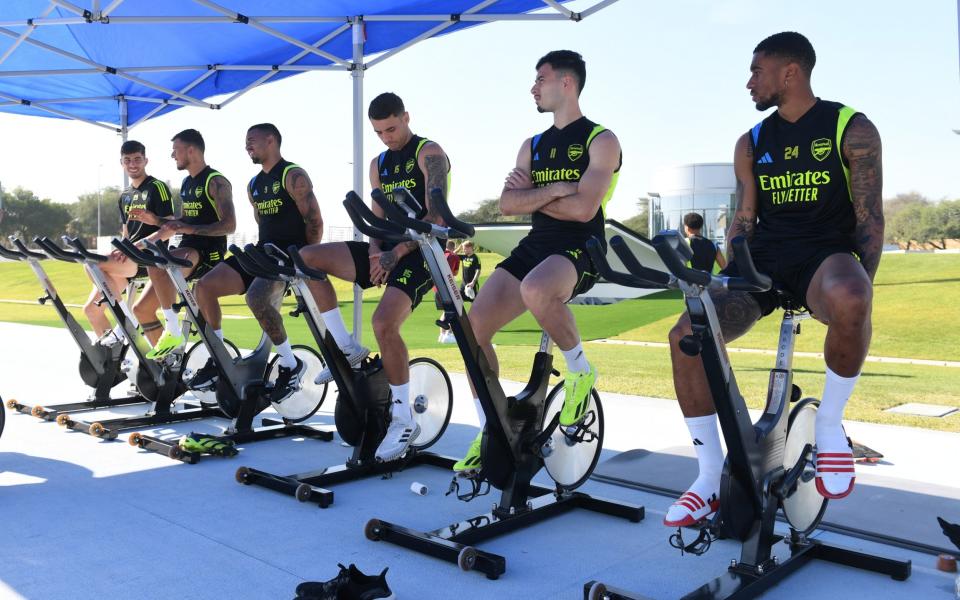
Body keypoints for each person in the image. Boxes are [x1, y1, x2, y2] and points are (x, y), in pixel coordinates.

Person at [664, 31, 884, 527]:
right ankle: (707, 475)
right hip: (761, 258)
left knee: (852, 298)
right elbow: (744, 219)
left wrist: (860, 298)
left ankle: (828, 427)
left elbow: (870, 217)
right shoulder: (752, 140)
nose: (748, 82)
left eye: (756, 71)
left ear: (790, 72)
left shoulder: (851, 127)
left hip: (823, 255)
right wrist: (722, 278)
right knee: (686, 335)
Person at [452, 50, 622, 474]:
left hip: (581, 247)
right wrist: (558, 188)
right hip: (536, 244)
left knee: (536, 288)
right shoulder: (532, 144)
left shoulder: (601, 140)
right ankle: (492, 426)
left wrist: (538, 196)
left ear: (566, 83)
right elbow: (507, 204)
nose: (533, 87)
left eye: (540, 79)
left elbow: (585, 211)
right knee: (472, 330)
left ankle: (581, 372)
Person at [299, 92, 450, 462]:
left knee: (384, 324)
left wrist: (395, 253)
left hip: (423, 252)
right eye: (379, 132)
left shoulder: (429, 153)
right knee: (307, 258)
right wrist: (371, 252)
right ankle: (347, 348)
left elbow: (438, 217)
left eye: (392, 129)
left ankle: (402, 420)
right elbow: (378, 215)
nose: (387, 137)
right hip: (385, 250)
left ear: (406, 117)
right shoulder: (378, 163)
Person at [183, 123, 325, 402]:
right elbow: (263, 224)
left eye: (252, 140)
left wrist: (304, 260)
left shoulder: (292, 174)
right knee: (204, 287)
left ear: (271, 140)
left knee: (257, 297)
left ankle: (290, 363)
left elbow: (315, 221)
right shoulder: (254, 184)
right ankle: (218, 357)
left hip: (288, 257)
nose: (247, 146)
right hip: (262, 252)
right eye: (246, 142)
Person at [127, 129, 235, 360]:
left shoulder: (215, 181)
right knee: (141, 310)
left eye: (175, 150)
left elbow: (229, 225)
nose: (172, 155)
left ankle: (173, 330)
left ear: (191, 150)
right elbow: (183, 221)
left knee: (157, 262)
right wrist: (155, 221)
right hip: (187, 247)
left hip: (208, 251)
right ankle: (171, 365)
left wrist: (187, 229)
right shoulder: (187, 182)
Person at [81, 140, 173, 347]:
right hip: (129, 256)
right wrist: (121, 248)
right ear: (121, 163)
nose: (133, 164)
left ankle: (125, 320)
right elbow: (126, 233)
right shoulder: (124, 196)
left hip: (150, 257)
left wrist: (135, 247)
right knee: (91, 311)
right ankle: (118, 356)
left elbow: (169, 228)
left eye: (137, 159)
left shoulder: (157, 187)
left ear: (145, 160)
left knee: (91, 263)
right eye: (128, 160)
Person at [437, 240, 461, 343]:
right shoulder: (455, 257)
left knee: (445, 310)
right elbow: (455, 273)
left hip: (437, 286)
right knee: (453, 310)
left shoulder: (440, 253)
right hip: (448, 286)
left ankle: (442, 335)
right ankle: (448, 334)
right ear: (453, 246)